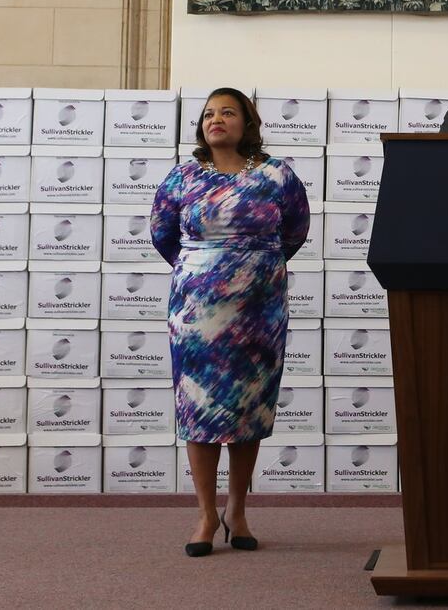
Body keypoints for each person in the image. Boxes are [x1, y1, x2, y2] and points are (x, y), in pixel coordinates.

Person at [150, 88, 310, 556]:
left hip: (259, 313)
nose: (215, 119)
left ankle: (237, 511)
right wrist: (211, 271)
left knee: (248, 410)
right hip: (196, 315)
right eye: (208, 114)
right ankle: (204, 515)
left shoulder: (276, 175)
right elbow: (163, 236)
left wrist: (250, 270)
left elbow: (295, 232)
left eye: (227, 112)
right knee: (197, 412)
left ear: (247, 122)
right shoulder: (181, 178)